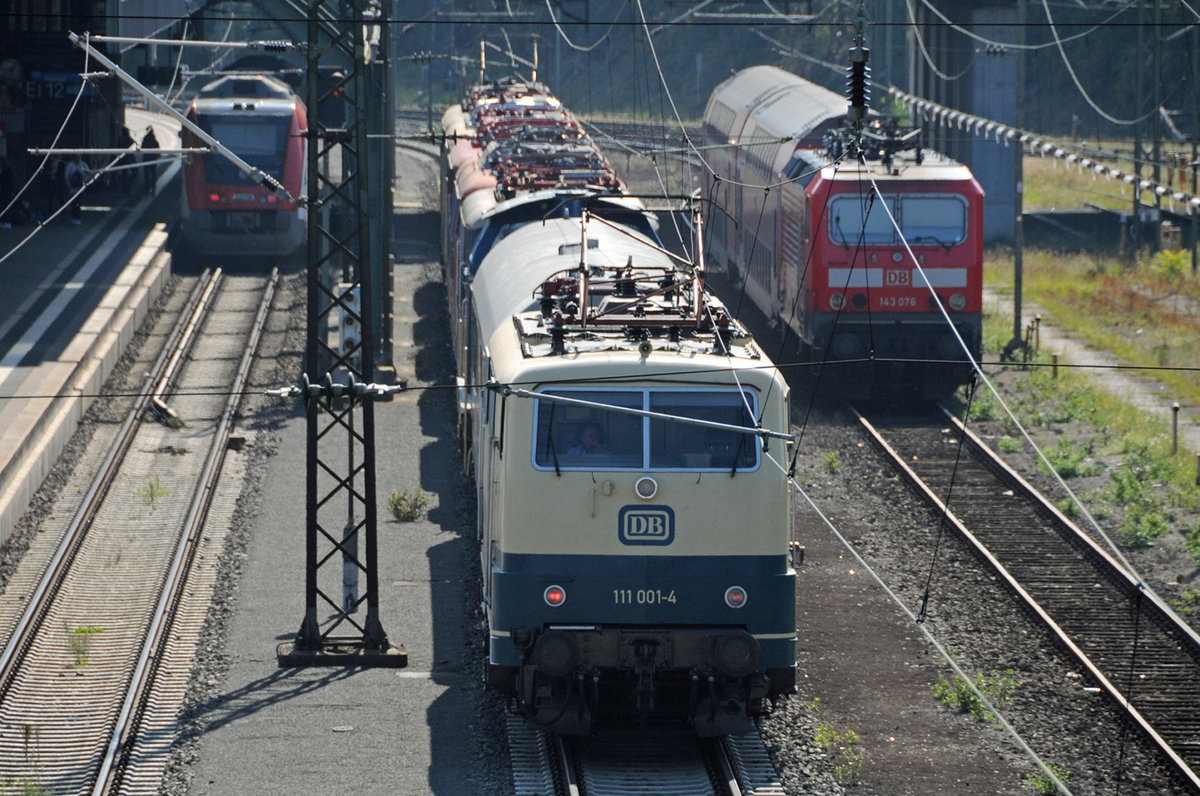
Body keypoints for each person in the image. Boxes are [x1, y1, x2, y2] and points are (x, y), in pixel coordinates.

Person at [64, 154, 92, 224]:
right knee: (73, 203)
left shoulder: (83, 164)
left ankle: (77, 217)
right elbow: (66, 175)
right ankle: (74, 217)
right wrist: (69, 185)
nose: (78, 159)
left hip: (80, 187)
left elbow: (89, 173)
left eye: (79, 157)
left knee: (79, 202)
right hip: (72, 187)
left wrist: (84, 181)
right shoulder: (70, 165)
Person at [141, 125, 160, 195]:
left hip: (146, 159)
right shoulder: (154, 140)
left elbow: (142, 148)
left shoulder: (145, 139)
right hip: (153, 159)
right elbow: (158, 150)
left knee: (147, 174)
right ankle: (153, 188)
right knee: (153, 174)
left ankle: (147, 188)